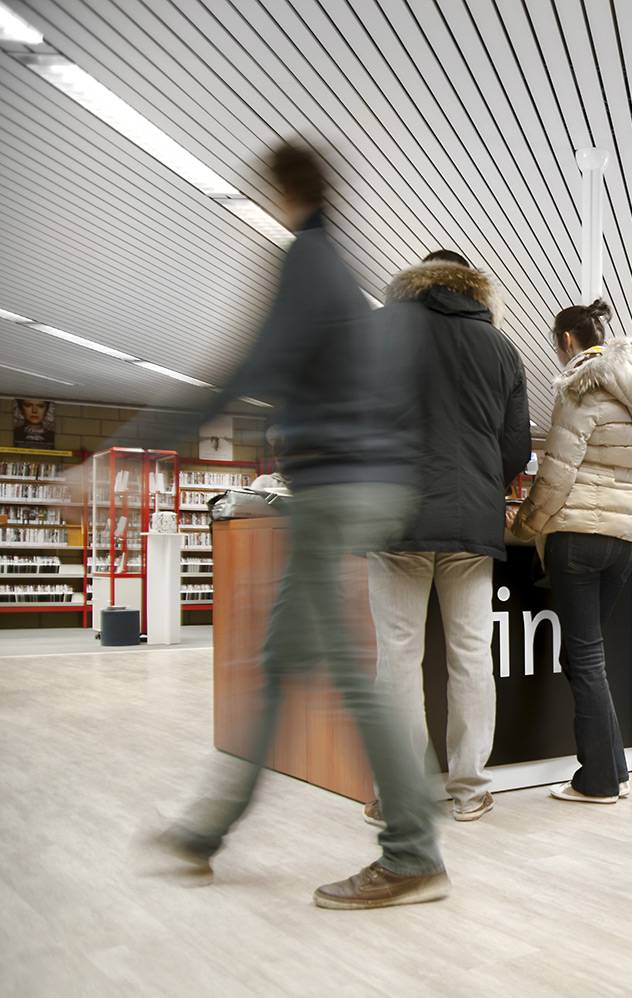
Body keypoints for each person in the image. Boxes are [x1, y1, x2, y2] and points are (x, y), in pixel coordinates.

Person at [149, 143, 448, 908]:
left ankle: (413, 853)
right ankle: (207, 829)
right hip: (362, 483)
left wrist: (146, 438)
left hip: (333, 488)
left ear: (282, 192)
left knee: (349, 674)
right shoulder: (338, 267)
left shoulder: (306, 261)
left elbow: (248, 368)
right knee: (280, 665)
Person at [362, 249, 529, 827]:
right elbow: (517, 446)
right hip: (470, 523)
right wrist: (482, 484)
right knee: (471, 653)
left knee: (397, 657)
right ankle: (470, 790)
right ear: (474, 289)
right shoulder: (500, 347)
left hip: (393, 519)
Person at [508, 300, 632, 803]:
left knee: (584, 656)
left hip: (576, 536)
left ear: (567, 341)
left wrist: (524, 525)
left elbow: (556, 475)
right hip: (624, 540)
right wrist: (625, 509)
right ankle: (612, 769)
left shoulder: (579, 386)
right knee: (586, 656)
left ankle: (597, 780)